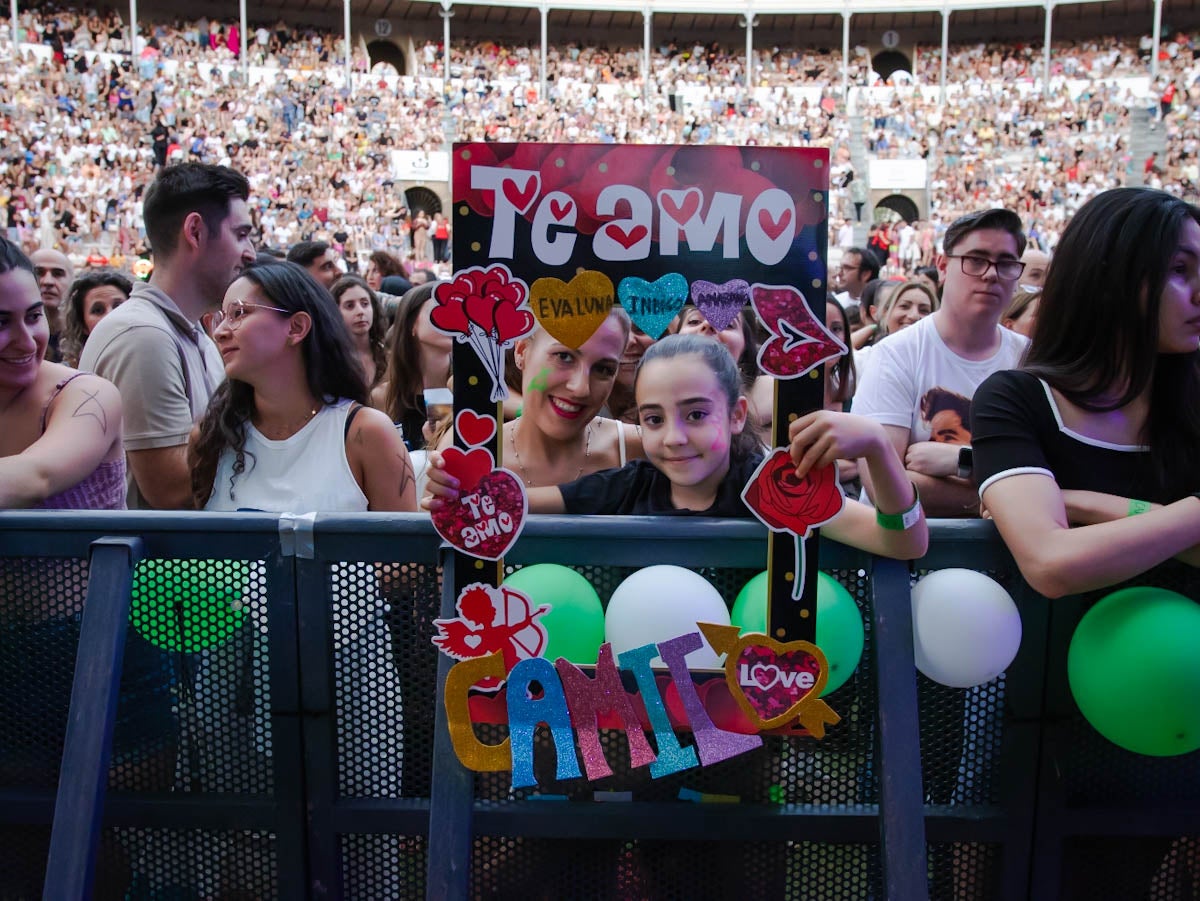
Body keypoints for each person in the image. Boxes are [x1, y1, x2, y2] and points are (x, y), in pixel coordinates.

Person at [426, 334, 927, 566]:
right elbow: (509, 500)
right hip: (641, 723)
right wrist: (453, 488)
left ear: (735, 416)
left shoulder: (772, 490)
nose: (672, 438)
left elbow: (903, 543)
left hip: (741, 726)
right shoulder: (627, 484)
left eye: (695, 414)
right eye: (653, 419)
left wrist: (880, 450)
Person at [973, 187, 1200, 599]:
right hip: (1052, 657)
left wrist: (1083, 503)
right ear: (1111, 278)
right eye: (1180, 269)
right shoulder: (1017, 398)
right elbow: (1051, 563)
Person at [81, 162, 255, 509]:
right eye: (241, 234)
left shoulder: (194, 336)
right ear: (195, 231)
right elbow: (171, 492)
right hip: (155, 564)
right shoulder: (143, 336)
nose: (251, 252)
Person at [190, 261, 415, 511]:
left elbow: (402, 548)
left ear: (296, 327)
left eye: (239, 313)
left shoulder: (367, 434)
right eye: (220, 318)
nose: (220, 332)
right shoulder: (210, 436)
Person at [852, 208, 1029, 517]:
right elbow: (882, 486)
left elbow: (1051, 474)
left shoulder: (1030, 359)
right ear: (943, 266)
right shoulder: (896, 353)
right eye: (976, 259)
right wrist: (1006, 497)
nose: (991, 274)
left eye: (1005, 263)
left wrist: (961, 462)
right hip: (908, 551)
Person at [0, 238, 124, 509]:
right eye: (2, 323)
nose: (27, 342)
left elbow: (36, 477)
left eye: (34, 316)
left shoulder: (89, 393)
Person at [372, 282, 451, 451]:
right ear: (411, 325)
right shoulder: (383, 397)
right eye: (438, 310)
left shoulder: (471, 389)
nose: (452, 319)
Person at [672, 303, 773, 428]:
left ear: (745, 347)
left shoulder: (774, 394)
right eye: (694, 321)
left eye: (727, 323)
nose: (708, 323)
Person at [58, 268, 133, 367]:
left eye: (118, 306)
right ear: (83, 325)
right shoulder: (66, 376)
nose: (110, 315)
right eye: (98, 310)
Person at [330, 274, 386, 390]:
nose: (360, 311)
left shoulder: (387, 355)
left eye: (365, 304)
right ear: (335, 312)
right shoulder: (330, 359)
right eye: (350, 306)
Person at [30, 247, 74, 363]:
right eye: (39, 273)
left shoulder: (84, 337)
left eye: (57, 274)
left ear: (72, 281)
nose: (48, 281)